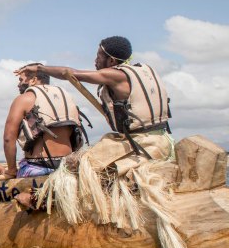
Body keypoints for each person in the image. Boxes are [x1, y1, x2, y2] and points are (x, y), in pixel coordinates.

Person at [14, 36, 173, 169]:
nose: (95, 60)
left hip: (142, 142)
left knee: (76, 168)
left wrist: (39, 68)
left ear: (111, 60)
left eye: (99, 56)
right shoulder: (144, 71)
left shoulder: (116, 75)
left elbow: (68, 73)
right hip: (162, 138)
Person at [4, 63, 87, 179]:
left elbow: (8, 139)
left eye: (20, 80)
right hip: (68, 166)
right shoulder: (66, 97)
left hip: (38, 167)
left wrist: (12, 171)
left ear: (33, 80)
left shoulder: (24, 99)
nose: (18, 84)